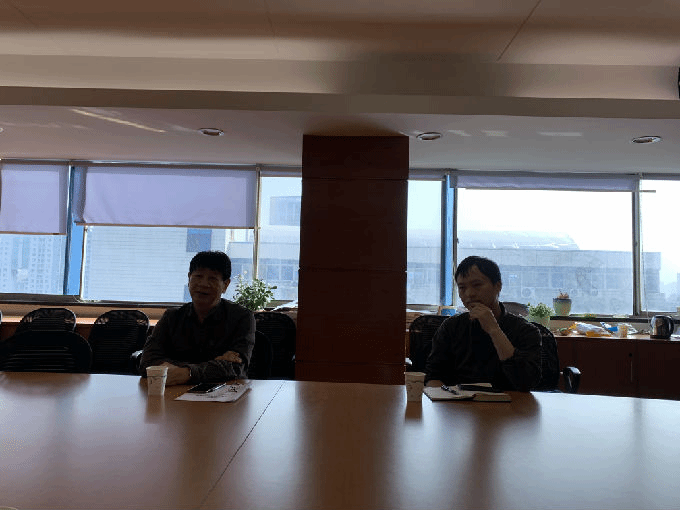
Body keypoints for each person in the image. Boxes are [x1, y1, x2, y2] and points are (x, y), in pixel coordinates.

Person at [425, 256, 541, 391]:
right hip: (458, 402)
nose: (469, 294)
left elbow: (527, 382)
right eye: (462, 288)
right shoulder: (451, 327)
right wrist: (444, 397)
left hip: (510, 403)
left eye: (477, 285)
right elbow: (433, 376)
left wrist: (494, 330)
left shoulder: (525, 331)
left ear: (498, 286)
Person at [140, 250, 255, 385]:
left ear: (225, 285)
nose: (203, 284)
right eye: (198, 276)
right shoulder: (171, 317)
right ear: (189, 278)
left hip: (223, 393)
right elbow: (147, 362)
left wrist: (187, 372)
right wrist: (213, 365)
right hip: (175, 393)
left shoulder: (242, 317)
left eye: (212, 278)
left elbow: (236, 367)